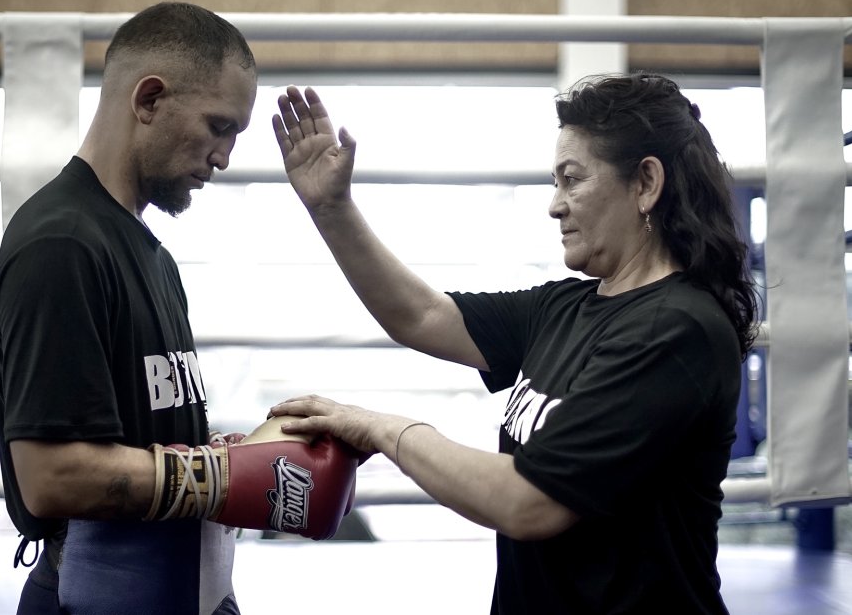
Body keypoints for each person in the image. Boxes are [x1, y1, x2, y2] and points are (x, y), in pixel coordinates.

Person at [268, 73, 759, 614]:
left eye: (572, 180)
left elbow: (530, 502)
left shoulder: (677, 330)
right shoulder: (564, 308)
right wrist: (331, 209)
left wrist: (385, 428)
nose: (555, 204)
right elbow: (422, 315)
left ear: (645, 183)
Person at [0, 2, 357, 615]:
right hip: (95, 592)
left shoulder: (147, 251)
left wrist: (245, 453)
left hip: (180, 585)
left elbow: (140, 429)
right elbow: (53, 477)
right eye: (218, 126)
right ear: (149, 99)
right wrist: (224, 477)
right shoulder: (63, 244)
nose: (225, 157)